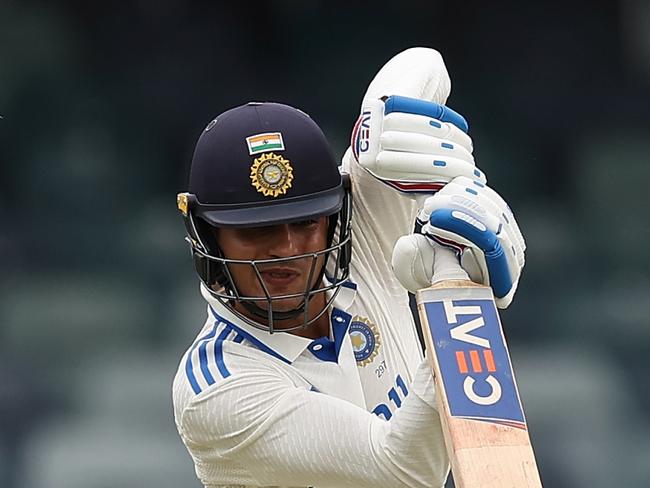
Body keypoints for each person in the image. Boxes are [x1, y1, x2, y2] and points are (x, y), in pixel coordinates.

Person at [172, 47, 525, 488]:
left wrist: (384, 126)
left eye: (305, 222)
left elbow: (426, 65)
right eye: (257, 230)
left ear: (335, 217)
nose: (288, 248)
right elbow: (405, 471)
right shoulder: (217, 390)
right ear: (209, 237)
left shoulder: (362, 240)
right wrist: (458, 311)